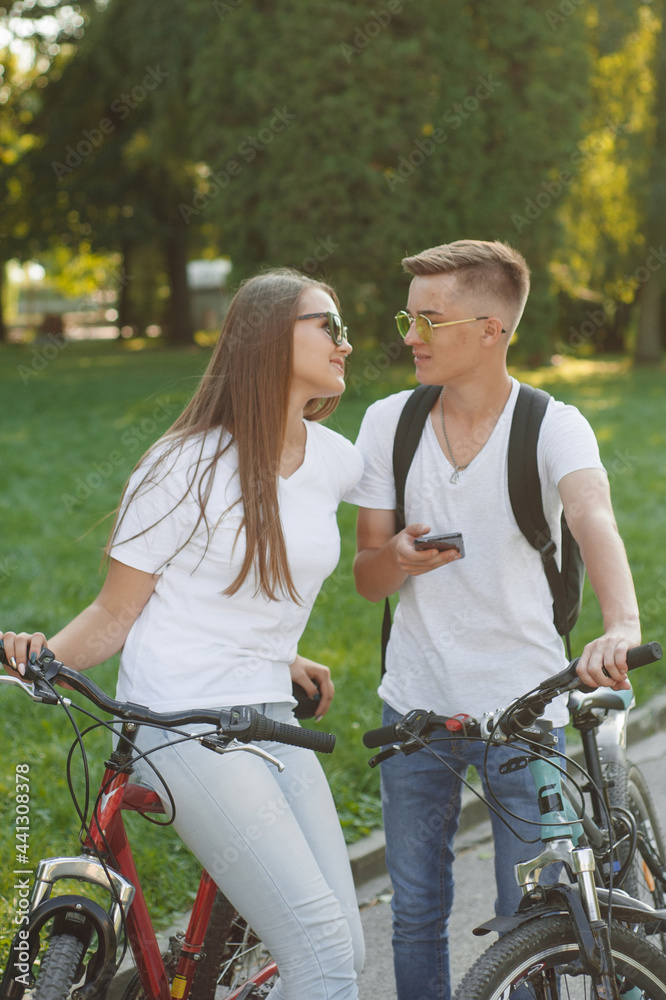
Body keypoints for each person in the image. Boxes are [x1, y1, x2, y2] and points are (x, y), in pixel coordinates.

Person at [1, 268, 365, 1000]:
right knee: (320, 949)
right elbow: (115, 614)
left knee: (347, 949)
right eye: (327, 324)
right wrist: (29, 663)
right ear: (267, 340)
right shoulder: (185, 465)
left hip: (268, 714)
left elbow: (248, 584)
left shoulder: (334, 458)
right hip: (177, 723)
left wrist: (279, 651)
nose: (345, 342)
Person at [346, 240, 641, 1000]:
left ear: (490, 329)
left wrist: (622, 623)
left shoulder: (552, 425)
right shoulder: (388, 423)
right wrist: (398, 561)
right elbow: (365, 577)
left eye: (427, 319)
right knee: (414, 912)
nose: (408, 334)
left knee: (527, 923)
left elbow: (593, 518)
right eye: (407, 316)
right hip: (415, 709)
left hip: (524, 710)